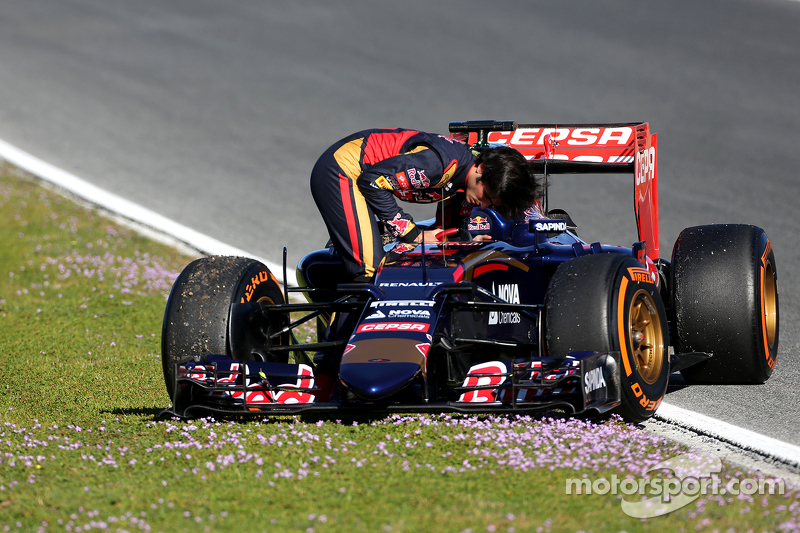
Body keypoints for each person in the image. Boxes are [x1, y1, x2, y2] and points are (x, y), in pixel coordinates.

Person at [310, 128, 540, 282]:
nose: (485, 204)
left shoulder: (464, 182)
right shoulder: (439, 164)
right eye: (487, 195)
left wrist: (466, 242)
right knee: (370, 270)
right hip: (341, 170)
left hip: (358, 177)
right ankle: (338, 351)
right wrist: (414, 235)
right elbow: (371, 182)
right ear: (482, 169)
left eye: (492, 203)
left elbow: (445, 235)